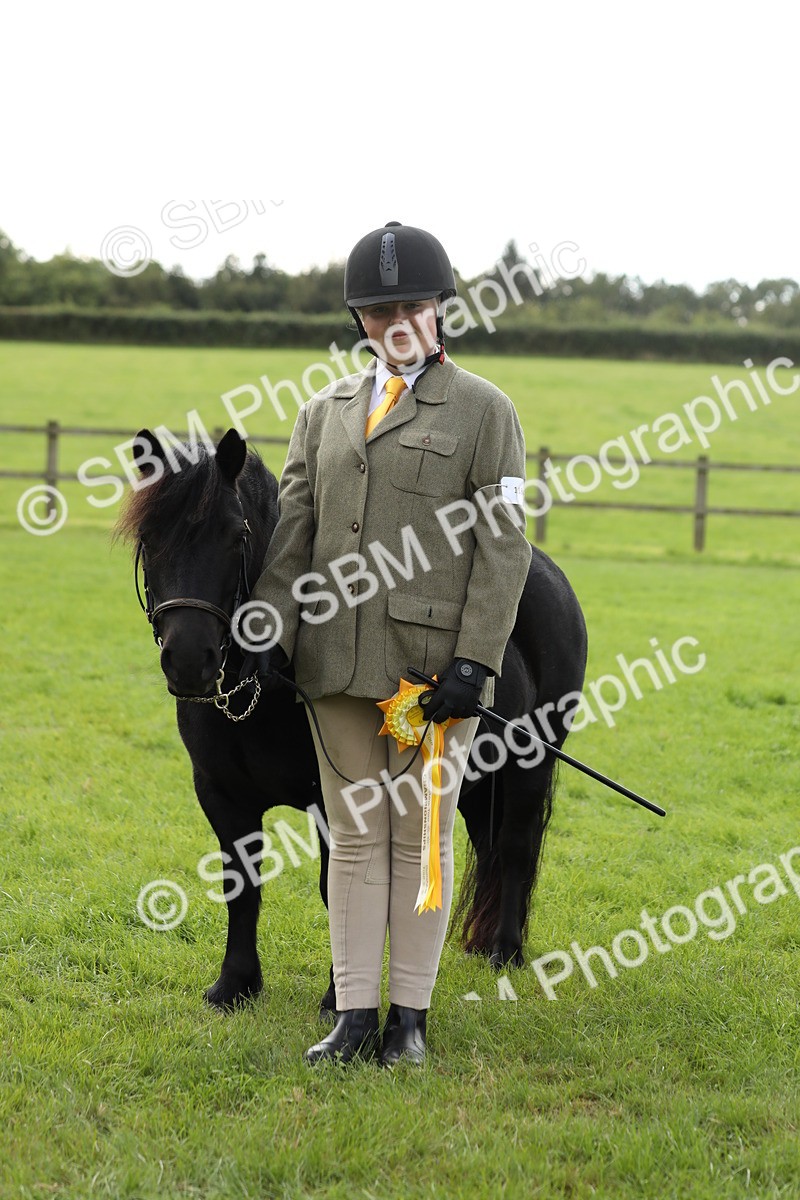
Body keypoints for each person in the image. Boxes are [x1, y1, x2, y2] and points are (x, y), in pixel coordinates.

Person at [249, 221, 532, 1066]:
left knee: (423, 839)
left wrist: (476, 663)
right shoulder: (321, 413)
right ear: (359, 320)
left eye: (410, 304)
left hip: (430, 673)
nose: (395, 320)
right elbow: (292, 534)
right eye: (377, 310)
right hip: (333, 663)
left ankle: (409, 1020)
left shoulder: (487, 411)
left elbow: (505, 545)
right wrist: (270, 627)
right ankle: (355, 1017)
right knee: (354, 838)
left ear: (441, 308)